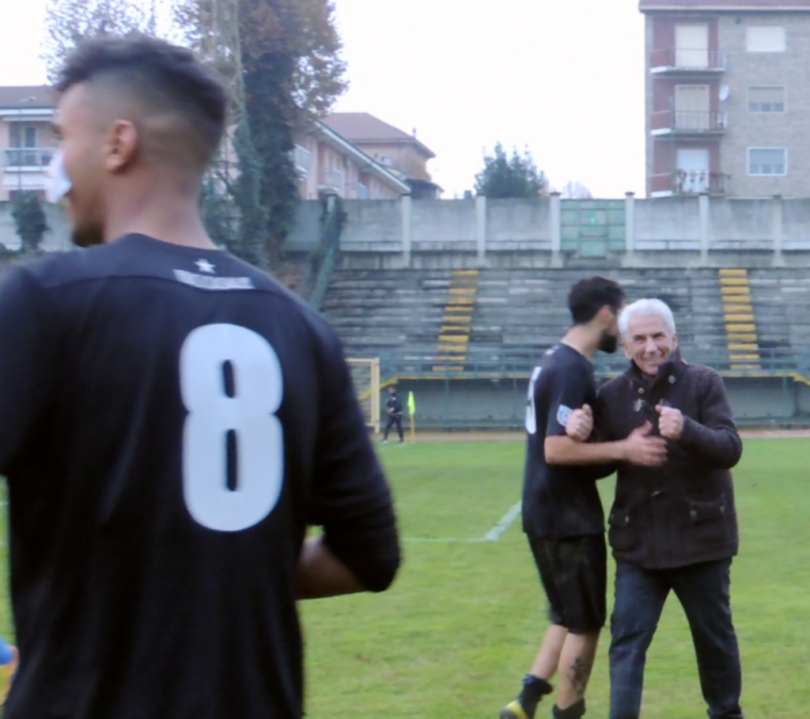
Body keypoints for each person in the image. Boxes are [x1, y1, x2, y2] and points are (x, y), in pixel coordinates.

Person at [0, 35, 400, 719]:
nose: (54, 171)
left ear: (118, 143)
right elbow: (369, 555)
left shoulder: (44, 301)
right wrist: (219, 571)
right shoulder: (302, 329)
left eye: (63, 139)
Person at [566, 298, 744, 719]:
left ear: (674, 339)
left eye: (659, 336)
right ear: (626, 346)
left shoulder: (703, 382)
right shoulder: (611, 394)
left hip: (702, 542)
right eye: (640, 339)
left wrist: (688, 429)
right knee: (626, 644)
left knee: (714, 641)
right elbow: (598, 466)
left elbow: (730, 448)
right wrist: (581, 434)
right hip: (638, 546)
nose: (651, 347)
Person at [500, 277, 668, 719]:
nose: (623, 327)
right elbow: (556, 449)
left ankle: (525, 701)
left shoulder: (551, 360)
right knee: (586, 623)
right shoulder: (572, 368)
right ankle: (567, 711)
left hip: (542, 509)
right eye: (622, 315)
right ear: (606, 314)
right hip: (567, 516)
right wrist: (625, 449)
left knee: (565, 613)